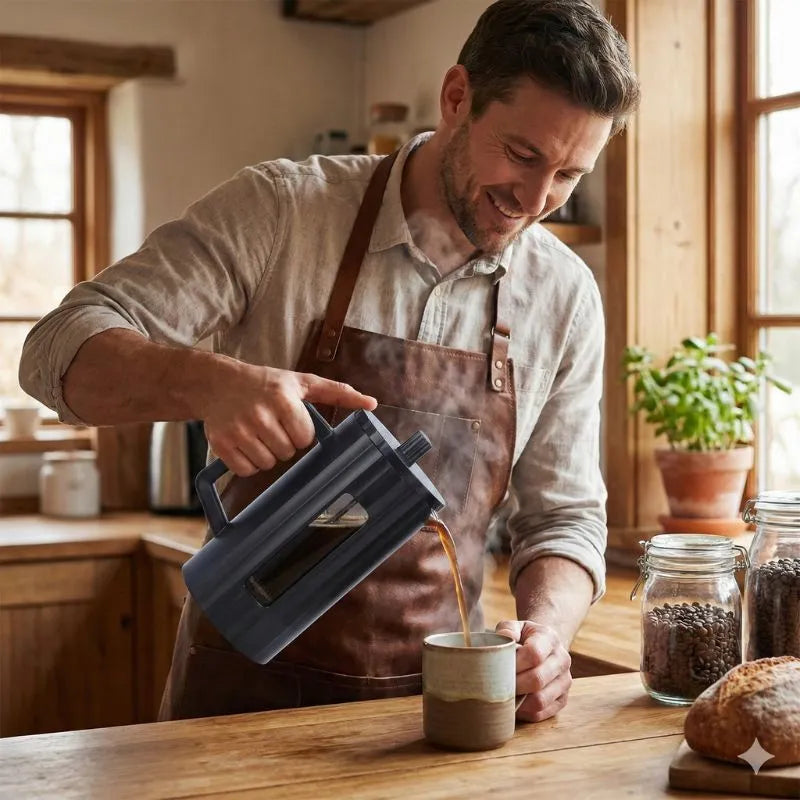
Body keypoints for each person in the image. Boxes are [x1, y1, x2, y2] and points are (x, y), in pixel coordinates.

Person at [19, 0, 640, 723]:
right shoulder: (284, 212)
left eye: (568, 175)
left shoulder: (563, 296)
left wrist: (548, 635)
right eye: (523, 155)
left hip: (433, 722)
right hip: (237, 708)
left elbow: (564, 518)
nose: (535, 201)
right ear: (456, 98)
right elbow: (54, 350)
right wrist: (205, 381)